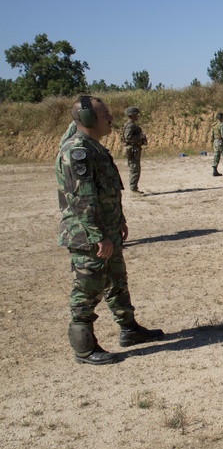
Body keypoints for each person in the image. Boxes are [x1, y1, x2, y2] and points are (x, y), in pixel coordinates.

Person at [56, 96, 163, 365]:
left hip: (107, 231)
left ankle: (129, 329)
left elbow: (108, 193)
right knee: (87, 289)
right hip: (89, 236)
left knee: (117, 281)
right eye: (105, 114)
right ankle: (84, 348)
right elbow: (82, 200)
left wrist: (120, 221)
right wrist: (98, 236)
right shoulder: (76, 151)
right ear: (89, 119)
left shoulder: (94, 147)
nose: (110, 119)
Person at [120, 106, 148, 195]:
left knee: (135, 168)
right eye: (136, 115)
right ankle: (133, 189)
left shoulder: (129, 125)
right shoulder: (130, 125)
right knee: (134, 168)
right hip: (132, 149)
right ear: (132, 115)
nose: (138, 116)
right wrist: (140, 137)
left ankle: (134, 188)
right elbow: (128, 138)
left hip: (133, 149)